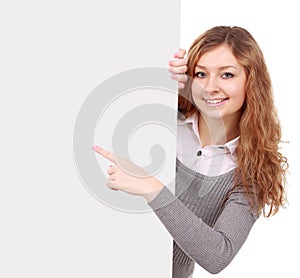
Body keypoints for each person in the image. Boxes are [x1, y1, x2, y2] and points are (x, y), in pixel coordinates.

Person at [93, 26, 288, 277]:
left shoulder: (252, 171)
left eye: (227, 75)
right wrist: (163, 77)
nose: (210, 87)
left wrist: (153, 189)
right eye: (201, 74)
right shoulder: (165, 120)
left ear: (252, 81)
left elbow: (218, 255)